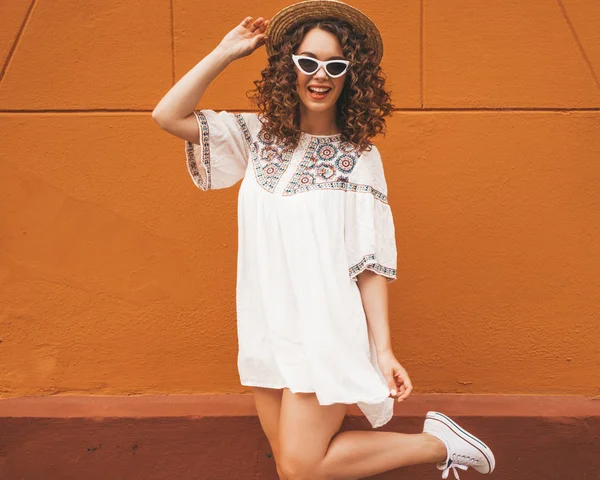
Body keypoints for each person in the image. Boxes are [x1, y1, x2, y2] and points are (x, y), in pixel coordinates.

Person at [152, 1, 496, 478]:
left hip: (324, 328)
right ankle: (437, 443)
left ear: (349, 75)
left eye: (334, 65)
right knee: (289, 468)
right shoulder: (257, 138)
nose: (320, 75)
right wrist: (224, 53)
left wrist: (383, 351)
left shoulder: (359, 159)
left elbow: (370, 261)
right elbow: (167, 115)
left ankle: (436, 445)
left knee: (303, 467)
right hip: (267, 325)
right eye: (307, 61)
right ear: (289, 68)